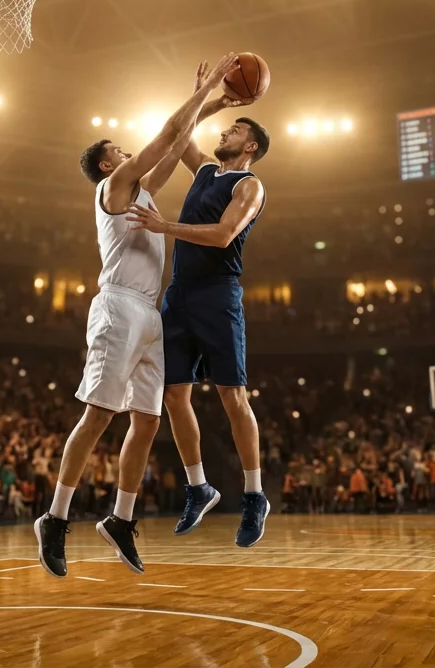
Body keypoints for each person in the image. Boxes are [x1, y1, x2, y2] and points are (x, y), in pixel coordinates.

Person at [36, 55, 240, 579]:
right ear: (108, 164)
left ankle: (120, 520)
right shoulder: (114, 188)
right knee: (99, 416)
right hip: (119, 307)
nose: (127, 152)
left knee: (148, 423)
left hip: (149, 314)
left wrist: (213, 103)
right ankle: (55, 517)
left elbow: (176, 143)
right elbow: (169, 131)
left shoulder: (144, 193)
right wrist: (211, 89)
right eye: (119, 151)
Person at [126, 69, 272, 548]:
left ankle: (253, 495)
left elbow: (224, 235)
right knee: (173, 395)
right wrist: (202, 95)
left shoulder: (249, 187)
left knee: (232, 397)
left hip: (218, 293)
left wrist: (164, 226)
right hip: (180, 293)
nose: (227, 131)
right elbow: (179, 132)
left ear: (250, 147)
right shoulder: (207, 169)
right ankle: (198, 485)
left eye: (237, 130)